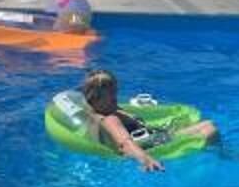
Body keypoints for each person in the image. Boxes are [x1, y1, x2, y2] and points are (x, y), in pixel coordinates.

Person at [80, 69, 217, 172]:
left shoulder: (95, 112)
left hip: (149, 136)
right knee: (209, 129)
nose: (115, 98)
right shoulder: (110, 119)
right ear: (96, 98)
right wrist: (145, 159)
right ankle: (217, 159)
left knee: (200, 124)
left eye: (115, 92)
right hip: (150, 143)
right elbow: (125, 143)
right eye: (111, 95)